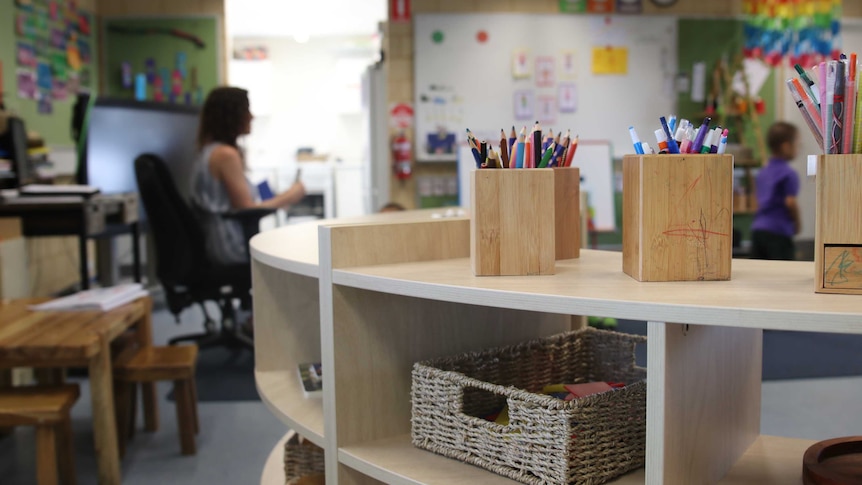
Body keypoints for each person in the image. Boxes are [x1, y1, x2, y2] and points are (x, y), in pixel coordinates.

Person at [191, 86, 305, 264]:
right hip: (229, 246)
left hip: (214, 242)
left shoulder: (210, 151)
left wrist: (281, 196)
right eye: (247, 110)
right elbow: (247, 209)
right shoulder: (226, 155)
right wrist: (291, 195)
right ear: (231, 116)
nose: (252, 116)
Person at [749, 121, 801, 260]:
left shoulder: (763, 172)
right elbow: (790, 202)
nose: (799, 148)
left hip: (758, 230)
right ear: (786, 147)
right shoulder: (788, 174)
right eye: (797, 144)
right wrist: (797, 224)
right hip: (778, 232)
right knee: (784, 275)